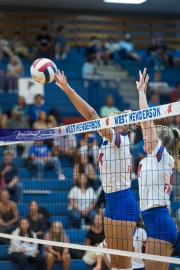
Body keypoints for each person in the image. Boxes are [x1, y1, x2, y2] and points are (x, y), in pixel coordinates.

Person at [55, 70, 140, 269]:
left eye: (111, 120)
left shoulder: (121, 140)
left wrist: (69, 90)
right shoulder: (106, 140)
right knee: (115, 260)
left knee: (124, 261)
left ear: (121, 126)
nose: (107, 121)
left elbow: (92, 115)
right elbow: (90, 118)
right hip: (110, 202)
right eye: (107, 119)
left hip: (123, 202)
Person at [136, 68, 179, 270]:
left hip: (160, 222)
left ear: (159, 142)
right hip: (154, 222)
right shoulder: (148, 161)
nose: (145, 137)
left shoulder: (162, 156)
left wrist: (141, 94)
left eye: (149, 135)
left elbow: (147, 123)